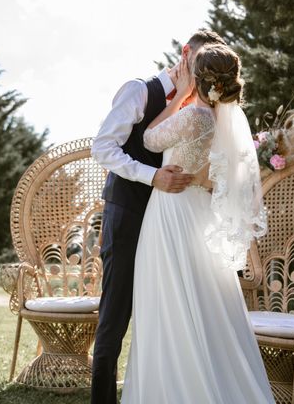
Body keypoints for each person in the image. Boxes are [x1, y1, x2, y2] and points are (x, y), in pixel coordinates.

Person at [121, 44, 275, 403]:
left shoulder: (193, 116)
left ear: (201, 80)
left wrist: (180, 97)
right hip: (198, 211)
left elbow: (148, 137)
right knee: (204, 301)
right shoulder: (222, 121)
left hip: (172, 213)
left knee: (168, 301)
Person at [90, 30, 227, 404]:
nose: (202, 75)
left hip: (172, 223)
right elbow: (102, 147)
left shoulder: (203, 107)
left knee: (169, 308)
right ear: (186, 54)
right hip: (129, 211)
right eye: (198, 63)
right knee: (116, 313)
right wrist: (153, 177)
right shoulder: (139, 90)